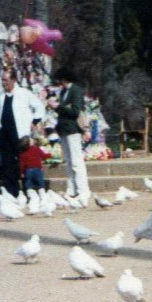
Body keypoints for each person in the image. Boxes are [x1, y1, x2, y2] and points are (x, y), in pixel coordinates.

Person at [0, 68, 45, 197]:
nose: (4, 83)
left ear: (14, 80)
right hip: (4, 134)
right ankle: (12, 192)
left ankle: (29, 190)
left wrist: (34, 121)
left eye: (6, 80)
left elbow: (39, 106)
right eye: (2, 80)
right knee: (8, 164)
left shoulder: (24, 93)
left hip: (20, 134)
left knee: (24, 163)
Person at [52, 67, 91, 207]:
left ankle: (83, 190)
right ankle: (72, 189)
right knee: (68, 161)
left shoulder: (76, 90)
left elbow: (75, 111)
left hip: (73, 129)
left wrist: (58, 106)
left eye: (60, 80)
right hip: (63, 129)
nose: (59, 83)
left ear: (64, 79)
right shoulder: (63, 91)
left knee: (76, 161)